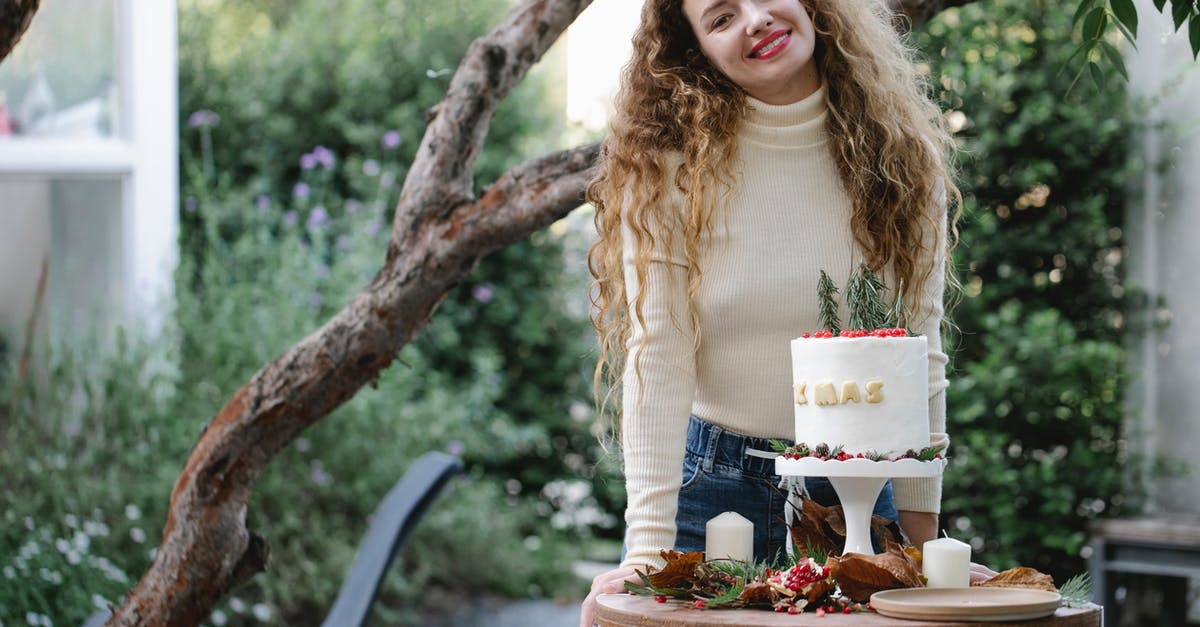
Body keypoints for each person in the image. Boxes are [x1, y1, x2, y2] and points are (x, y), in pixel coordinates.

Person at [578, 0, 991, 624]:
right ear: (696, 50)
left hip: (856, 498)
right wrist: (646, 549)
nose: (754, 20)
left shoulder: (903, 160)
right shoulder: (667, 168)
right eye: (719, 18)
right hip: (713, 492)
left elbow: (918, 354)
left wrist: (923, 540)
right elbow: (658, 355)